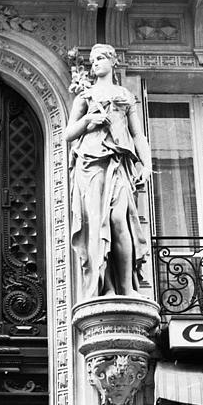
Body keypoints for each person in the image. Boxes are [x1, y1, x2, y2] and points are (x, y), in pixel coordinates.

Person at [64, 44, 152, 300]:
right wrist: (88, 121)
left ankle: (127, 288)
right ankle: (107, 287)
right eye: (92, 61)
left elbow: (137, 134)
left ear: (113, 62)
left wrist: (145, 165)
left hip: (118, 161)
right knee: (96, 223)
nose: (96, 64)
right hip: (91, 163)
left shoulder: (124, 95)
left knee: (117, 220)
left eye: (101, 58)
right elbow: (69, 133)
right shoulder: (85, 96)